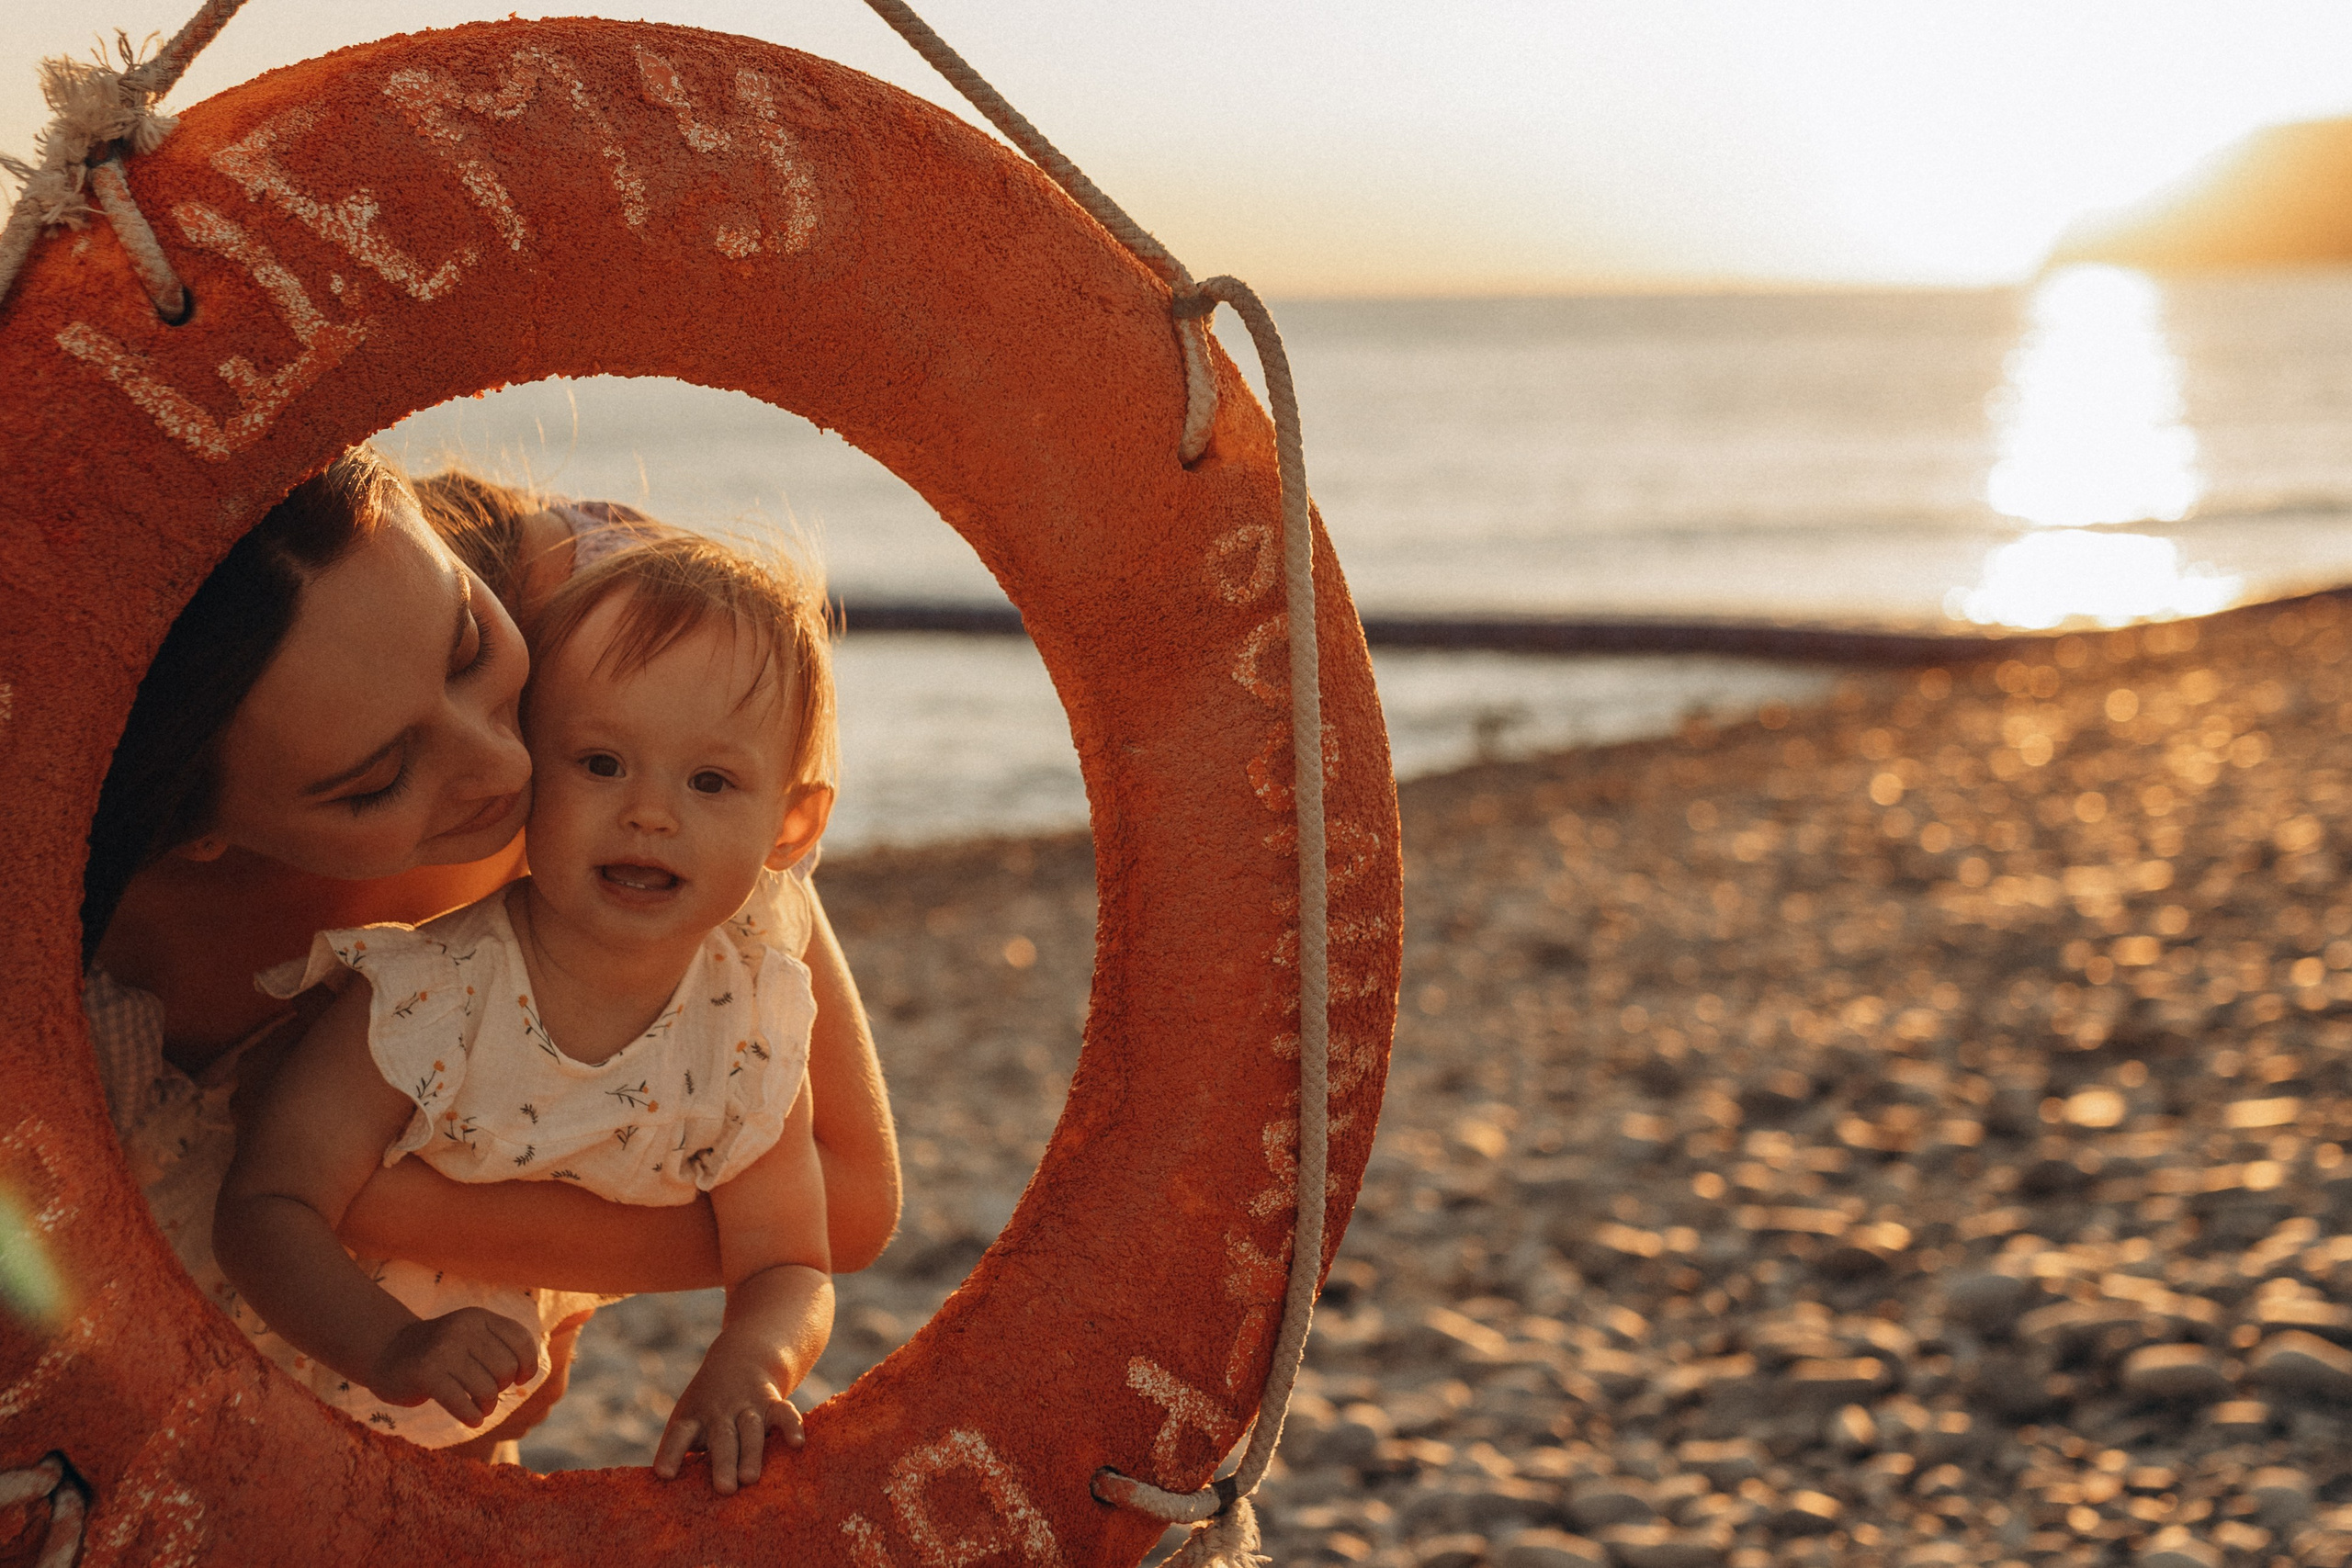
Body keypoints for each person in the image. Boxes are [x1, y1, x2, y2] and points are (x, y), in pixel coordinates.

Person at [82, 446, 899, 1461]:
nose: (509, 763)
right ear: (195, 832)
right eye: (377, 779)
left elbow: (845, 1208)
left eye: (469, 644)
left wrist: (417, 1231)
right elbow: (257, 1211)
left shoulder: (634, 624)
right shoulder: (104, 961)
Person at [216, 537, 834, 1490]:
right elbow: (267, 1205)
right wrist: (392, 1349)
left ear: (791, 825)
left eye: (709, 781)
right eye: (599, 763)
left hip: (481, 1401)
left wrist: (747, 1366)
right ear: (525, 773)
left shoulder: (745, 1026)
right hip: (274, 1382)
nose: (650, 814)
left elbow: (789, 1262)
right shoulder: (433, 998)